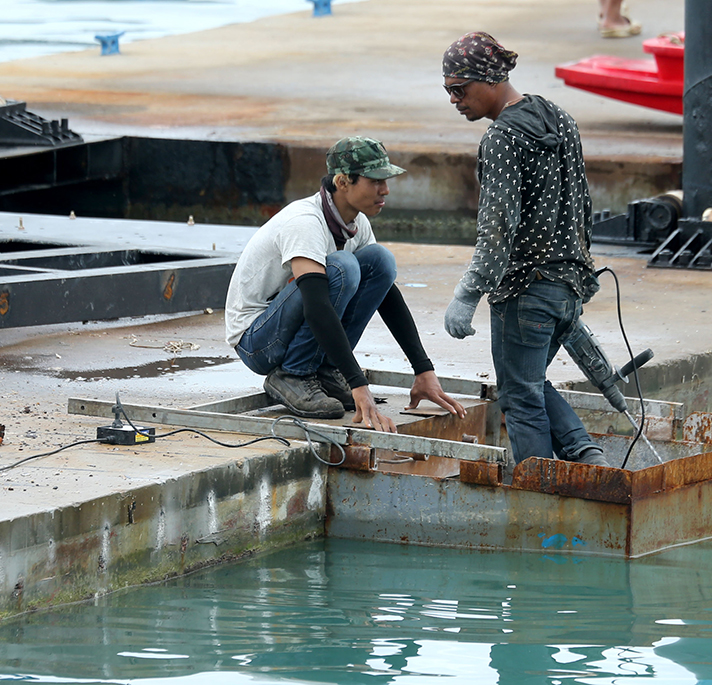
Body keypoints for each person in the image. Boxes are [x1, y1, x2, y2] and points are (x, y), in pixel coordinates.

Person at [440, 32, 609, 468]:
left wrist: (468, 293)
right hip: (568, 285)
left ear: (490, 80)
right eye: (448, 90)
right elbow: (583, 206)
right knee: (528, 383)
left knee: (520, 398)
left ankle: (540, 490)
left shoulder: (501, 139)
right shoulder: (559, 118)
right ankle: (587, 456)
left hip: (526, 291)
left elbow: (497, 228)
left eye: (460, 89)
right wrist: (579, 279)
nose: (454, 100)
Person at [225, 136, 466, 432]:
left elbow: (387, 295)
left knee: (380, 261)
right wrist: (357, 383)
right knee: (343, 267)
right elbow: (317, 307)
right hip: (257, 343)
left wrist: (423, 370)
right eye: (375, 181)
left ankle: (326, 370)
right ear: (342, 182)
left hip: (287, 331)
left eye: (385, 181)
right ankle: (293, 375)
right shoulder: (305, 223)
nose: (385, 190)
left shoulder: (356, 222)